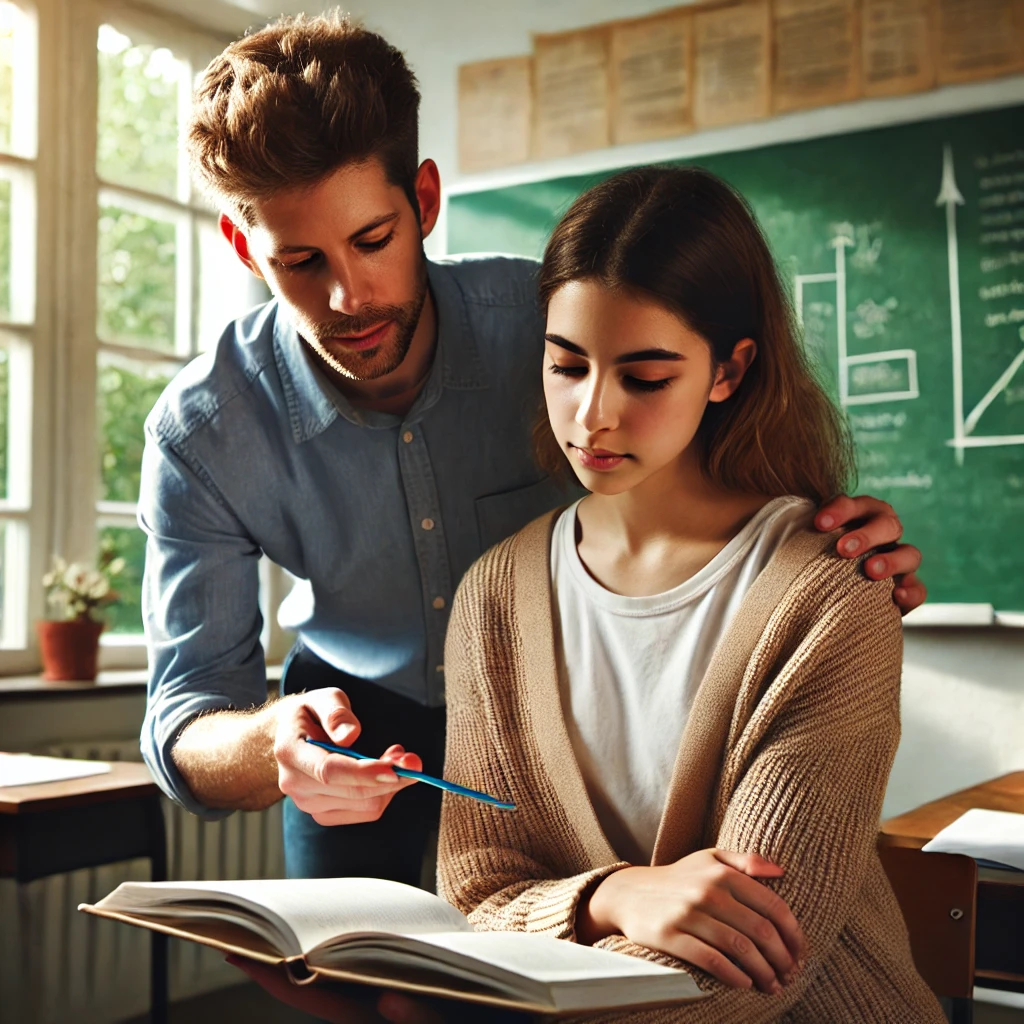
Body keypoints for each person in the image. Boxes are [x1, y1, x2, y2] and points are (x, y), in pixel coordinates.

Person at [140, 11, 925, 895]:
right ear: (245, 248)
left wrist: (828, 537)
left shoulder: (554, 328)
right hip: (352, 738)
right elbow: (184, 717)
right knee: (361, 989)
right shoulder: (202, 433)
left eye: (372, 241)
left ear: (425, 202)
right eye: (299, 263)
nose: (349, 295)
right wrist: (272, 743)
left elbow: (710, 444)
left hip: (558, 726)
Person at [431, 167, 947, 1023]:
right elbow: (475, 892)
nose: (592, 415)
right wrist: (613, 896)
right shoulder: (492, 598)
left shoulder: (833, 597)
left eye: (644, 377)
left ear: (729, 369)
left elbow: (750, 965)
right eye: (566, 364)